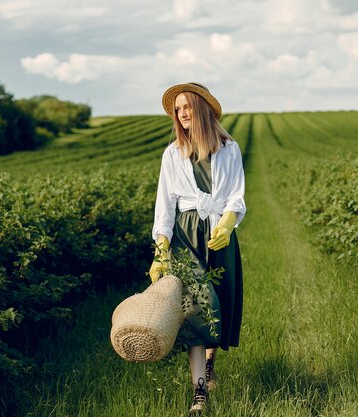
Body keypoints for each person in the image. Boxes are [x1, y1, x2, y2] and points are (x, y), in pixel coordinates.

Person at [149, 82, 246, 414]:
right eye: (178, 109)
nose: (182, 113)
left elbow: (236, 195)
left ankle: (208, 364)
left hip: (219, 234)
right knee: (196, 310)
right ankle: (199, 392)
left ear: (203, 107)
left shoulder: (228, 148)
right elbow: (165, 207)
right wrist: (161, 253)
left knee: (217, 304)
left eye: (187, 105)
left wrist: (228, 223)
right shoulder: (172, 153)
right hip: (187, 237)